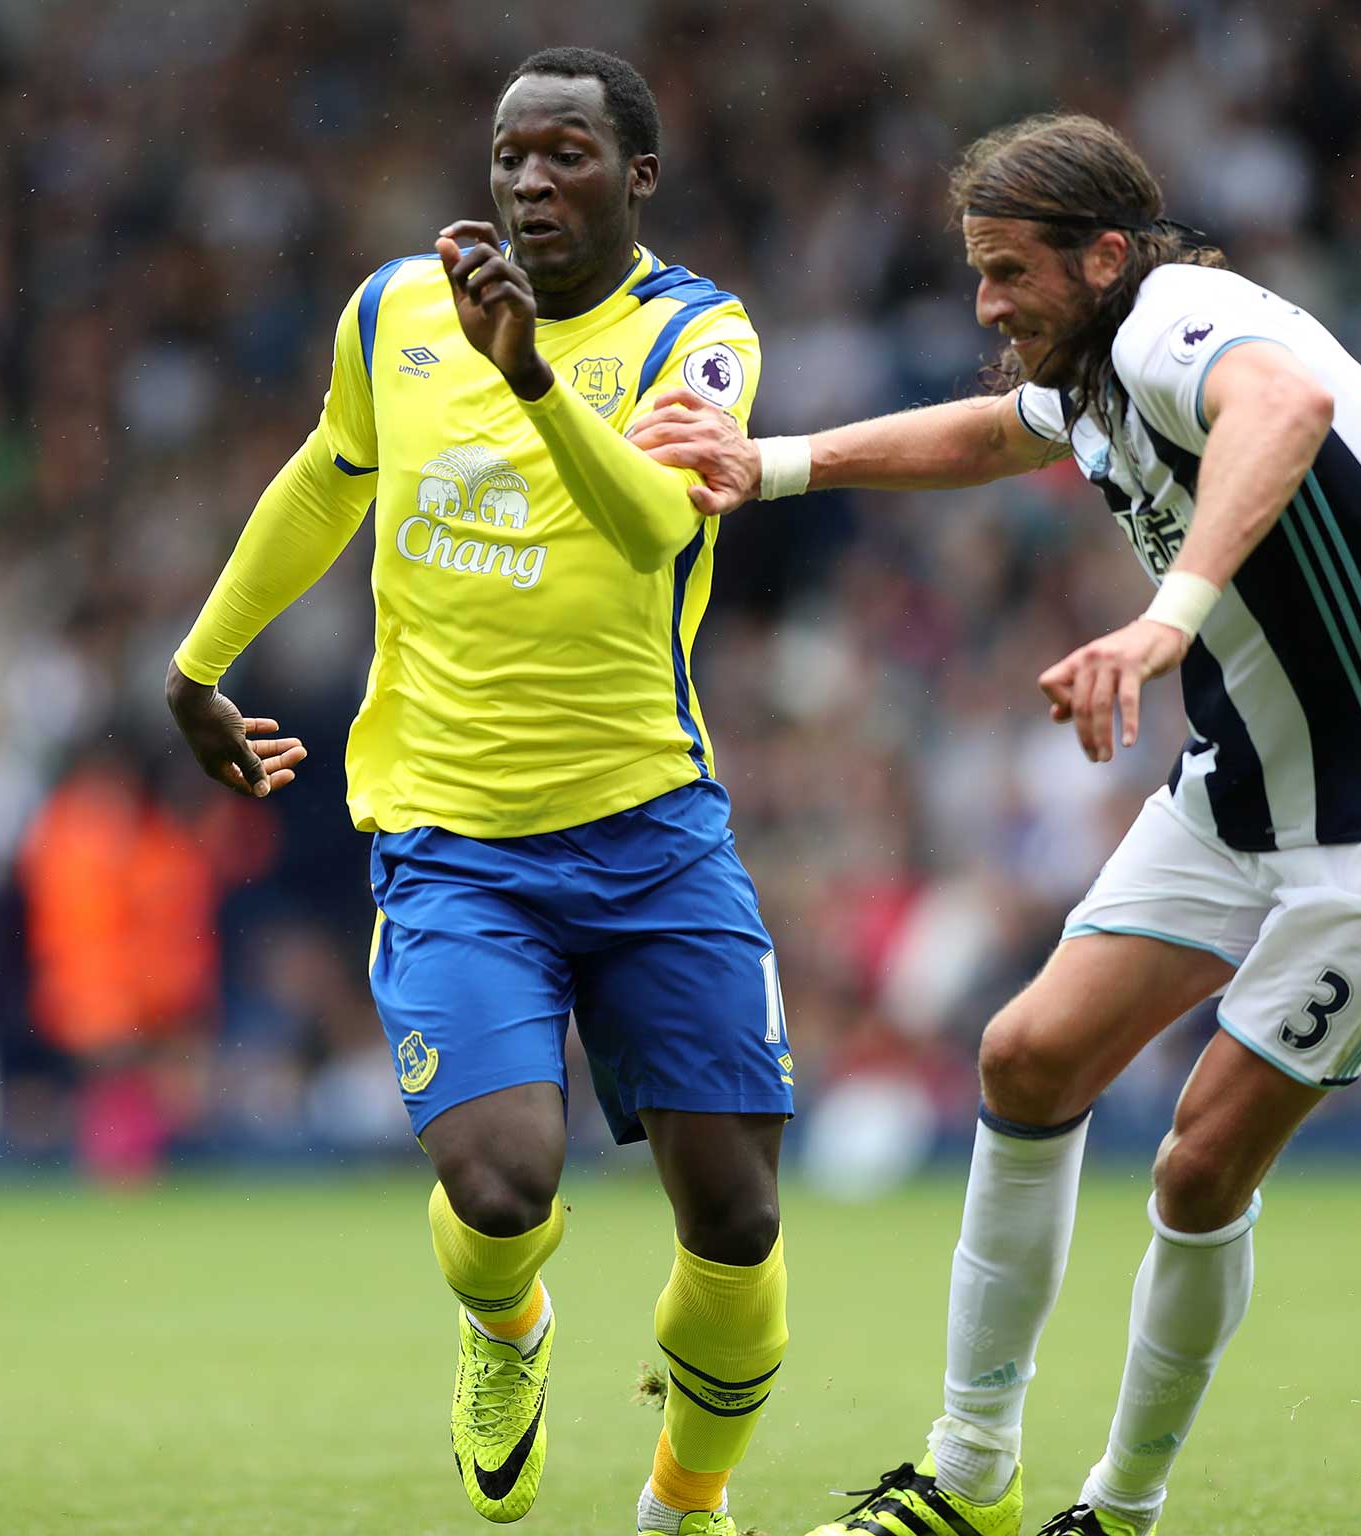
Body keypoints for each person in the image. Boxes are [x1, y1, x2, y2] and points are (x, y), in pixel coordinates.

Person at [629, 112, 1361, 1536]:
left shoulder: (1179, 318)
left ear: (1106, 256)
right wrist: (777, 462)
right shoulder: (1093, 366)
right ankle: (971, 1475)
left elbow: (1288, 412)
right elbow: (996, 430)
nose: (988, 305)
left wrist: (1166, 621)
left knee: (1195, 1160)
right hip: (1256, 780)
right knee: (1027, 1053)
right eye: (978, 273)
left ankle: (1121, 1507)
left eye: (1009, 274)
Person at [166, 47, 791, 1536]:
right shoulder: (394, 311)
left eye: (564, 153)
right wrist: (198, 668)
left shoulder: (697, 337)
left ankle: (683, 1506)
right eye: (510, 154)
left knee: (739, 1219)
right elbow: (329, 472)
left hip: (650, 831)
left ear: (637, 175)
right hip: (454, 844)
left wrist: (525, 375)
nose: (525, 181)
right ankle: (505, 1334)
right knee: (504, 1188)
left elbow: (653, 524)